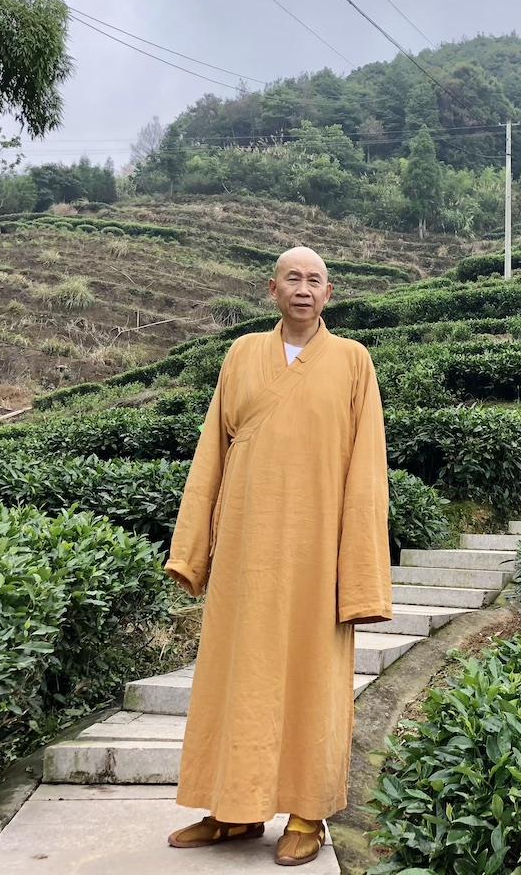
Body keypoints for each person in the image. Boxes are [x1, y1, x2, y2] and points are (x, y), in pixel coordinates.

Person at [163, 246, 393, 866]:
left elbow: (367, 471)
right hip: (245, 551)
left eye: (314, 280)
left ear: (329, 293)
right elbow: (210, 451)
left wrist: (362, 576)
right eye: (293, 277)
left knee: (310, 680)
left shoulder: (353, 362)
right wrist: (192, 550)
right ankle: (233, 811)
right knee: (239, 679)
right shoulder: (241, 355)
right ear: (272, 290)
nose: (303, 288)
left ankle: (307, 815)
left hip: (316, 554)